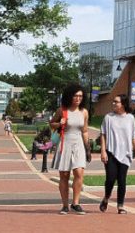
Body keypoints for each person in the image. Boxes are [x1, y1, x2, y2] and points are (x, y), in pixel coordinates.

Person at [50, 84, 89, 215]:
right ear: (69, 96)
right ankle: (65, 205)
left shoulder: (84, 112)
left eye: (80, 96)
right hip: (65, 142)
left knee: (79, 173)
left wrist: (87, 148)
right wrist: (59, 123)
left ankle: (76, 203)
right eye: (75, 96)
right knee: (64, 175)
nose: (78, 98)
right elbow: (52, 124)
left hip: (78, 143)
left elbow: (84, 131)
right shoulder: (62, 110)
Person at [99, 94, 135, 214]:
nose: (113, 103)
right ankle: (106, 197)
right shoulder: (108, 117)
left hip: (126, 153)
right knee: (110, 178)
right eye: (113, 101)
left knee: (122, 180)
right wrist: (103, 151)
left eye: (116, 102)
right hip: (111, 152)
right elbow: (103, 134)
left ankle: (120, 205)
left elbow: (134, 136)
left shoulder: (130, 118)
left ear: (123, 104)